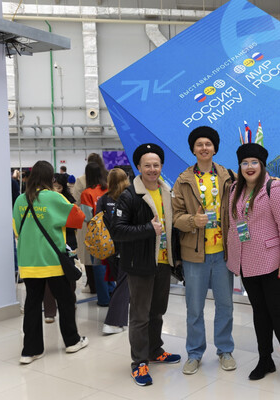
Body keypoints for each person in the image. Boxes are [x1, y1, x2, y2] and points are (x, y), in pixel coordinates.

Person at [226, 143, 280, 393]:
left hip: (272, 264)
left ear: (262, 164)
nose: (249, 167)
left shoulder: (275, 189)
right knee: (259, 313)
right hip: (247, 262)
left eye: (254, 162)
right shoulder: (235, 189)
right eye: (244, 163)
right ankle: (265, 359)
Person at [112, 144, 181, 386]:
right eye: (147, 165)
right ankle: (139, 362)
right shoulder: (129, 196)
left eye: (156, 165)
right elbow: (117, 231)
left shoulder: (166, 192)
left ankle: (154, 350)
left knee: (157, 311)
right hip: (140, 264)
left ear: (161, 166)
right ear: (139, 167)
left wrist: (176, 257)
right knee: (140, 315)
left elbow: (171, 228)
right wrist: (147, 229)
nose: (152, 169)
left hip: (163, 262)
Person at [172, 126, 236, 375]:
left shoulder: (228, 176)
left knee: (225, 305)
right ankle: (195, 353)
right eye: (199, 144)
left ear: (215, 148)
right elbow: (175, 217)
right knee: (195, 307)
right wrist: (192, 221)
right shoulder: (183, 180)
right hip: (194, 253)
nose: (204, 148)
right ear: (193, 149)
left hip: (222, 252)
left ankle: (225, 350)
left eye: (208, 143)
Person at [12, 161, 88, 365]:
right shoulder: (54, 197)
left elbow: (17, 230)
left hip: (29, 261)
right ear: (50, 178)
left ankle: (30, 351)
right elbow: (78, 219)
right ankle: (72, 341)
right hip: (53, 261)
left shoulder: (20, 200)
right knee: (65, 301)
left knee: (32, 304)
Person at [98, 168, 131, 335]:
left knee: (121, 282)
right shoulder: (130, 197)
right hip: (128, 245)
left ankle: (120, 317)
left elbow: (97, 221)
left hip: (109, 246)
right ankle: (113, 322)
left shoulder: (103, 199)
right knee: (124, 284)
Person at [43, 173, 78, 324]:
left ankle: (71, 301)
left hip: (68, 242)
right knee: (48, 278)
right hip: (49, 243)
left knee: (70, 275)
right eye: (53, 187)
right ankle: (50, 312)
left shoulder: (69, 201)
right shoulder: (44, 201)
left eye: (58, 187)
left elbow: (76, 222)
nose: (55, 190)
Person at [72, 153, 108, 295]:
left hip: (88, 225)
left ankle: (93, 286)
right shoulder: (106, 180)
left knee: (89, 258)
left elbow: (76, 202)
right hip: (107, 225)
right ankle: (108, 288)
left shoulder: (82, 182)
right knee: (106, 257)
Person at [81, 162, 114, 306]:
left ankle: (104, 299)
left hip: (97, 234)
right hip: (112, 232)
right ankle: (113, 293)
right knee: (111, 264)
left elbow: (87, 217)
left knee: (99, 266)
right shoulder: (109, 190)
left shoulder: (87, 193)